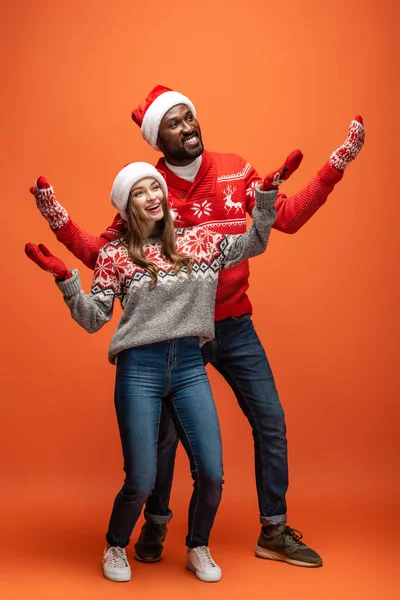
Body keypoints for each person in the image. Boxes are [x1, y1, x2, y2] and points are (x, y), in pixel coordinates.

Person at [30, 85, 365, 568]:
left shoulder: (233, 169)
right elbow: (109, 256)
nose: (188, 127)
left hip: (231, 322)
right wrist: (59, 226)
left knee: (270, 420)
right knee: (161, 441)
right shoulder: (149, 187)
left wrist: (335, 166)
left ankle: (273, 530)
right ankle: (156, 522)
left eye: (190, 117)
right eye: (175, 122)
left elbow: (280, 221)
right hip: (171, 333)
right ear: (156, 139)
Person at [25, 158, 290, 582]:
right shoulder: (115, 255)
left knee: (212, 473)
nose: (152, 196)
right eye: (139, 192)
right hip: (139, 369)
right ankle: (115, 544)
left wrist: (265, 198)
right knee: (142, 479)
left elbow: (254, 243)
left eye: (155, 188)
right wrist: (67, 281)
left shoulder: (200, 242)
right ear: (126, 206)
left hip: (188, 364)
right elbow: (95, 318)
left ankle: (198, 546)